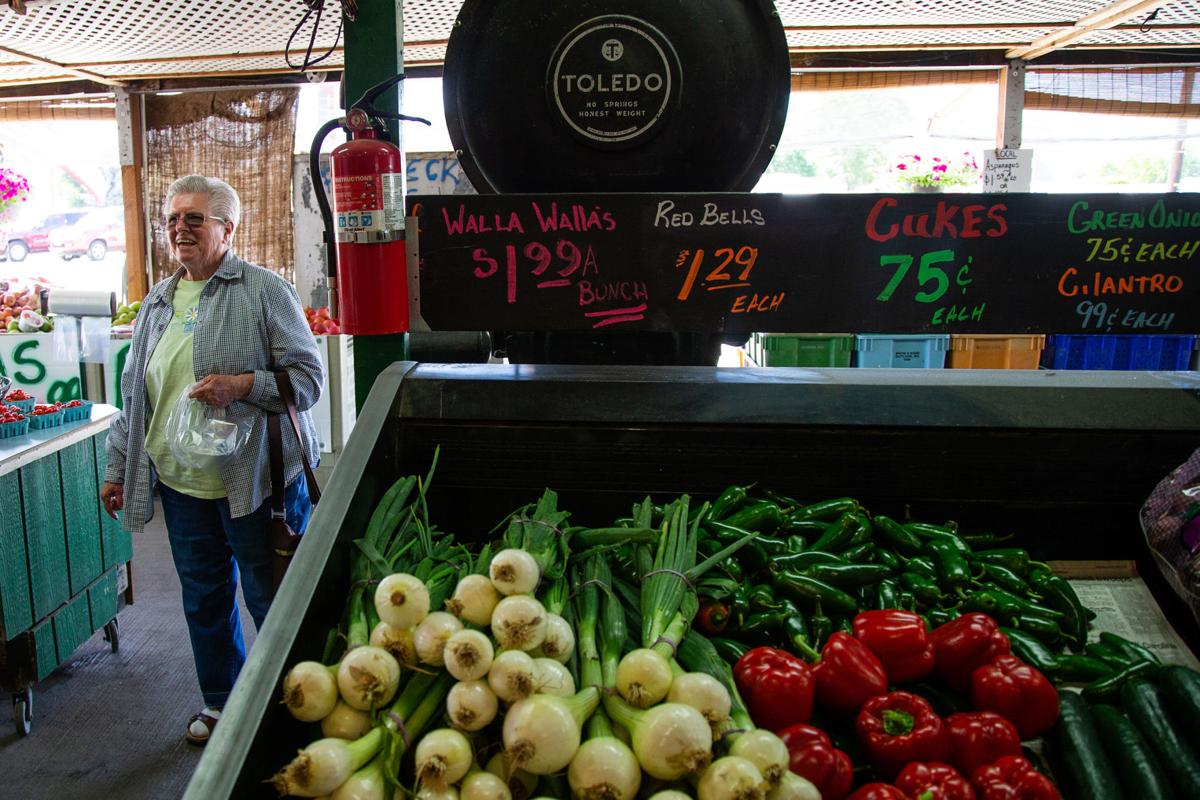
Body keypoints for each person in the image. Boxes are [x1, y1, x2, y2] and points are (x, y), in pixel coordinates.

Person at [99, 175, 324, 745]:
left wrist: (243, 385)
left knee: (270, 594)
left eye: (195, 219)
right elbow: (135, 393)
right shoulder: (158, 299)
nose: (180, 229)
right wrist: (117, 465)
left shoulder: (263, 290)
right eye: (173, 219)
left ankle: (295, 699)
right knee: (204, 597)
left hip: (256, 481)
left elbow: (308, 380)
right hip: (181, 486)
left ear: (229, 227)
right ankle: (222, 702)